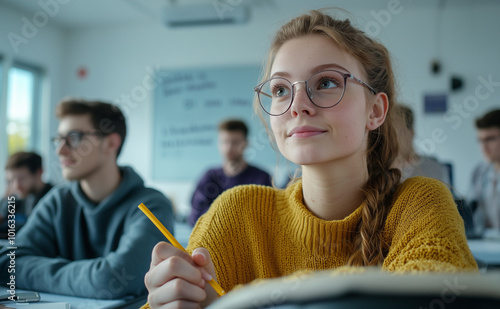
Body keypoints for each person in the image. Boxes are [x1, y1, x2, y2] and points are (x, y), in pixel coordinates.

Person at [141, 10, 477, 309]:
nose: (298, 105)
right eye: (280, 90)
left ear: (375, 111)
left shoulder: (420, 203)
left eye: (327, 82)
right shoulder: (237, 212)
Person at [0, 99, 174, 299]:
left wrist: (44, 272)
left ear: (111, 143)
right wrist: (94, 275)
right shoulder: (57, 201)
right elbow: (8, 262)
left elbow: (114, 280)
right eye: (59, 140)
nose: (60, 150)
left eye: (74, 138)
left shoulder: (152, 205)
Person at [188, 119, 272, 226]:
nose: (229, 148)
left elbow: (269, 217)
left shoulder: (262, 178)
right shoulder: (209, 177)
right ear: (219, 144)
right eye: (224, 142)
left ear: (246, 144)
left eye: (235, 142)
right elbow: (194, 217)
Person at [395, 105, 451, 184]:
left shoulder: (433, 169)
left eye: (397, 132)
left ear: (411, 132)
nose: (392, 140)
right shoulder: (381, 171)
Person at [0, 151, 53, 234]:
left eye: (21, 178)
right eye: (11, 180)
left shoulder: (54, 200)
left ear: (39, 172)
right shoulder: (18, 197)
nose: (16, 186)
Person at [469, 109, 500, 233]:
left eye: (490, 139)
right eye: (480, 141)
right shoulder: (479, 173)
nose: (484, 147)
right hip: (488, 245)